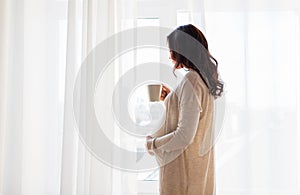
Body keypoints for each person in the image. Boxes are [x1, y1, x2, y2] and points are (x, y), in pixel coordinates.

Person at [145, 24, 224, 195]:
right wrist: (170, 100)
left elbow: (184, 136)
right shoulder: (202, 79)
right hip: (196, 171)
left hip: (183, 175)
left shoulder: (191, 81)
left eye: (172, 49)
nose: (170, 55)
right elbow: (194, 119)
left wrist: (153, 144)